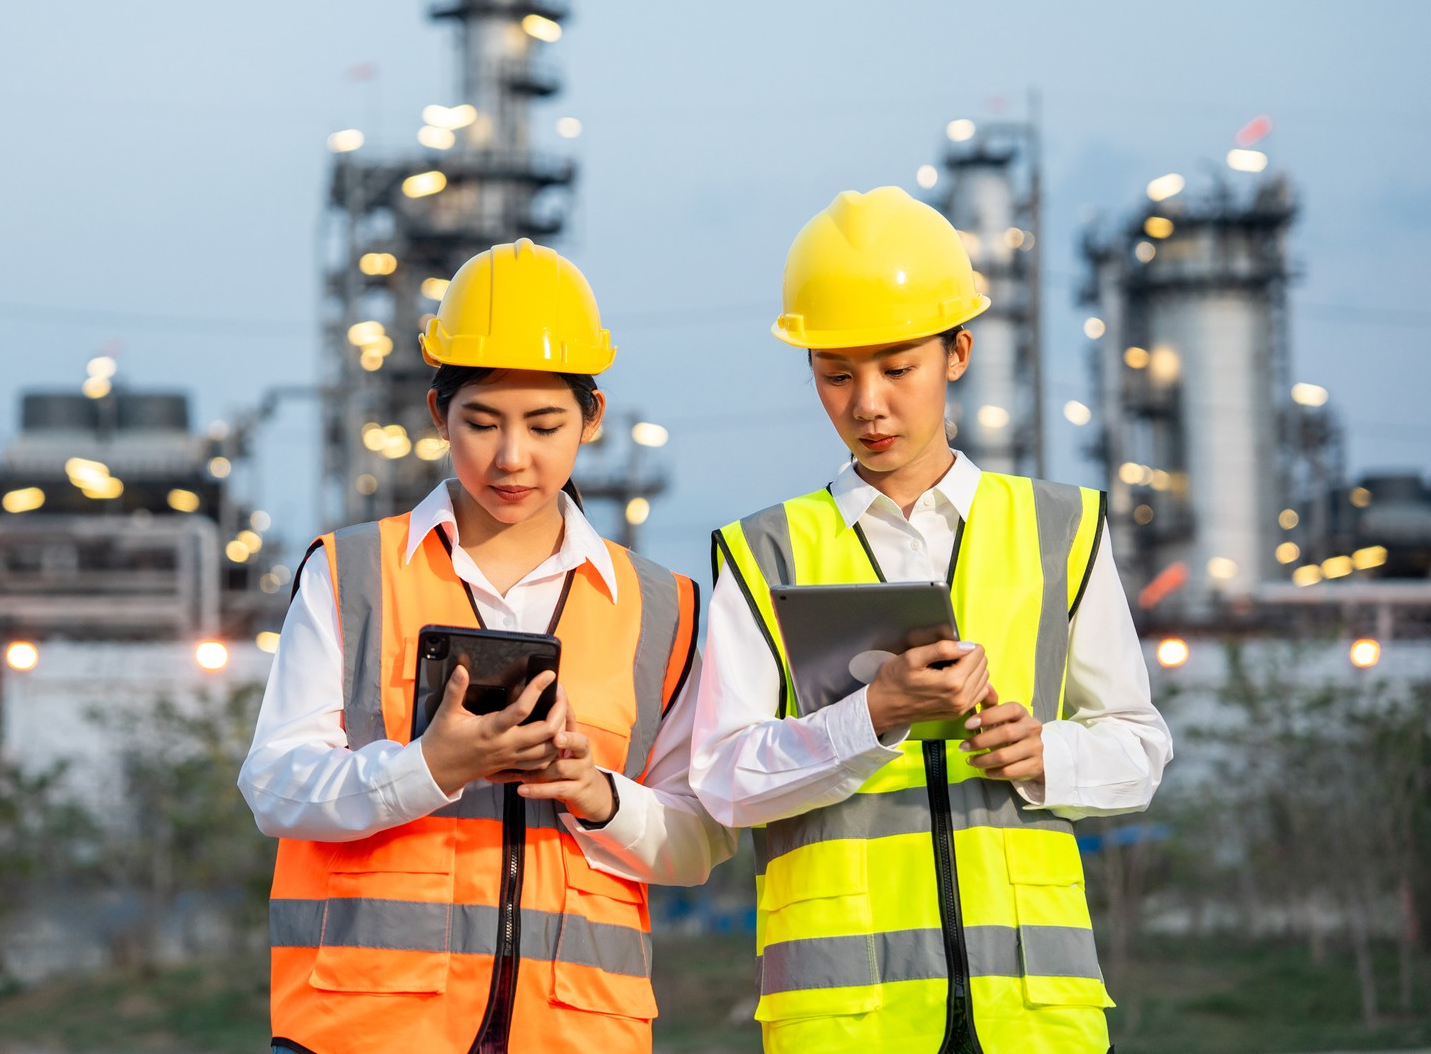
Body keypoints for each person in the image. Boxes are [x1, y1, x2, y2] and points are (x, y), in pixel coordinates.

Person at [689, 188, 1172, 1054]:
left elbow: (1138, 747)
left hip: (1033, 1009)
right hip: (844, 1017)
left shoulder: (1060, 529)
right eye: (836, 374)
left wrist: (1048, 753)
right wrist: (868, 720)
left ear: (958, 352)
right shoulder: (764, 552)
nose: (867, 403)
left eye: (895, 369)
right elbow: (722, 781)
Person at [242, 238, 735, 1054]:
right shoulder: (352, 574)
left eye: (545, 425)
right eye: (481, 423)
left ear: (593, 418)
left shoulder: (665, 609)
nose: (513, 458)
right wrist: (432, 766)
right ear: (439, 414)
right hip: (367, 1028)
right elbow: (274, 787)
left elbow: (700, 842)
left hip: (576, 1033)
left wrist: (597, 792)